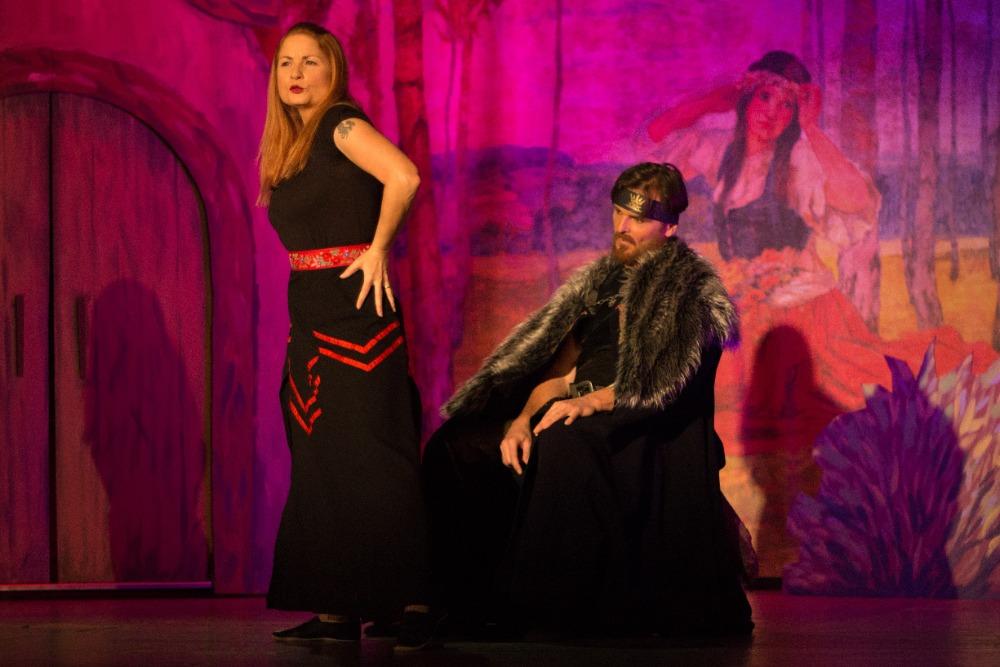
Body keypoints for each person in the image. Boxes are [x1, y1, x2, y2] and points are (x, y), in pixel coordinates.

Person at [423, 162, 754, 637]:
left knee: (564, 439)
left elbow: (663, 383)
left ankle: (541, 607)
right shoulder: (599, 286)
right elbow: (560, 379)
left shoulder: (689, 290)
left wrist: (589, 403)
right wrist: (521, 419)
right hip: (580, 408)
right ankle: (454, 601)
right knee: (457, 445)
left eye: (638, 219)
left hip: (641, 424)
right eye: (619, 212)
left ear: (669, 227)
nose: (623, 227)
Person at [259, 23, 438, 650]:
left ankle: (415, 603)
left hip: (357, 313)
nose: (296, 74)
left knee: (373, 455)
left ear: (333, 69)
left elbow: (404, 176)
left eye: (310, 62)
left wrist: (378, 248)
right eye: (286, 63)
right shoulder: (292, 146)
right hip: (311, 316)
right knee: (321, 458)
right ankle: (337, 604)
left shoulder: (341, 124)